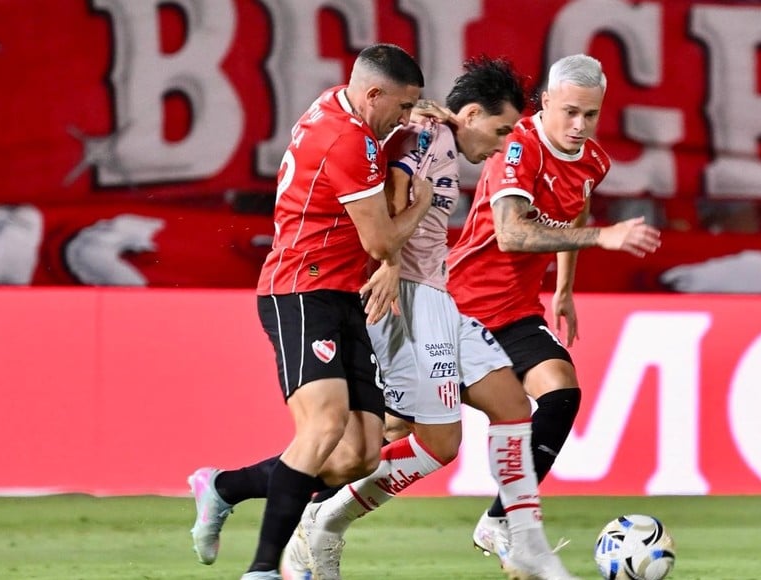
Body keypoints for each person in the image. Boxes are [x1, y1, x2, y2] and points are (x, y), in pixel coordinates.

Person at [279, 56, 580, 580]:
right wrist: (390, 266)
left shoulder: (436, 132)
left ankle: (510, 529)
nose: (505, 143)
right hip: (405, 306)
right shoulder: (422, 136)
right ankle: (304, 516)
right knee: (388, 447)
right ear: (469, 114)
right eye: (501, 129)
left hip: (438, 301)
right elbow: (392, 202)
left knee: (508, 408)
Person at [188, 43, 432, 580]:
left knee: (360, 455)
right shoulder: (350, 141)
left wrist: (418, 120)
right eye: (404, 106)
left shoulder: (338, 105)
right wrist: (423, 201)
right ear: (372, 95)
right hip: (301, 291)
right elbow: (380, 241)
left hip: (344, 296)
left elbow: (387, 120)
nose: (408, 117)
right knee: (322, 428)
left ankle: (223, 487)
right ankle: (261, 569)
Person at [444, 54, 662, 563]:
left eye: (590, 114)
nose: (580, 126)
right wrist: (605, 238)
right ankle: (272, 496)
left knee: (562, 394)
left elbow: (573, 213)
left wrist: (564, 287)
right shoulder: (514, 145)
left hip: (518, 309)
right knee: (385, 441)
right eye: (569, 112)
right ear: (545, 103)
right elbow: (512, 233)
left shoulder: (593, 162)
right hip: (458, 306)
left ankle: (501, 521)